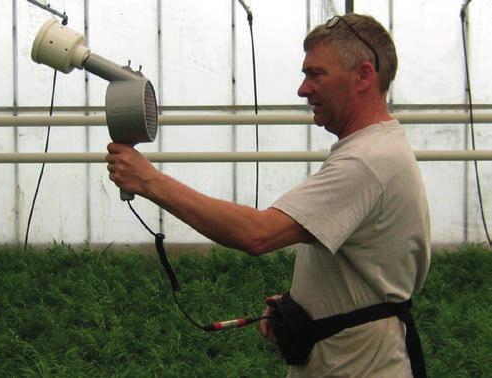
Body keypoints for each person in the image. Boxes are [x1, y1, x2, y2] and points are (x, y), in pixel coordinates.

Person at [106, 13, 430, 378]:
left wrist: (149, 181)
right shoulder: (375, 148)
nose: (303, 89)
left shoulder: (367, 161)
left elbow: (258, 234)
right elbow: (368, 268)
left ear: (364, 76)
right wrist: (304, 306)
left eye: (316, 74)